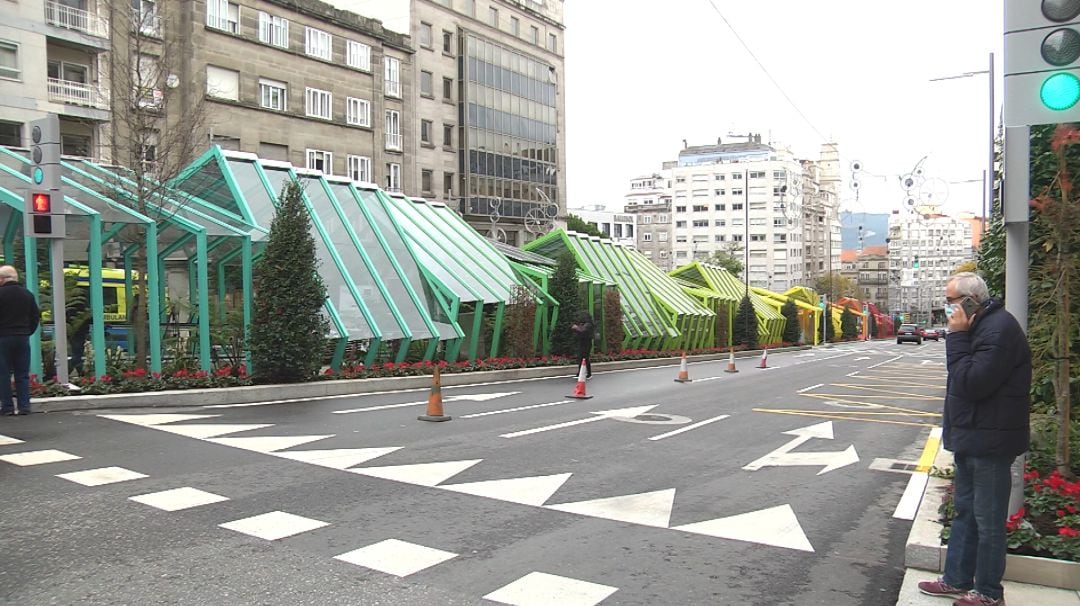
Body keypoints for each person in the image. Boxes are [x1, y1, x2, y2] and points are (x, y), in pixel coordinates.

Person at [918, 272, 1031, 606]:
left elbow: (970, 383)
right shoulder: (983, 327)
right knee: (966, 512)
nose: (947, 308)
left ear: (969, 302)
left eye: (950, 301)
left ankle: (988, 593)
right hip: (974, 436)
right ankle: (957, 580)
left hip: (990, 441)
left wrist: (956, 336)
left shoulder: (997, 330)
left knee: (988, 519)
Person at [0, 265, 41, 416]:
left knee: (3, 373)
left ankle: (7, 407)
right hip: (22, 337)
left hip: (3, 338)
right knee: (22, 373)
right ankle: (24, 406)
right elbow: (35, 317)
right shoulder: (27, 295)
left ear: (2, 279)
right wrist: (27, 332)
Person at [570, 310, 595, 379]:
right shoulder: (584, 324)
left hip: (586, 343)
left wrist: (576, 328)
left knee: (585, 358)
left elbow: (582, 331)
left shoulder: (588, 324)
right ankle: (581, 373)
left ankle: (588, 374)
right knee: (581, 358)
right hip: (582, 342)